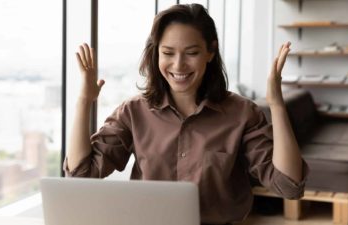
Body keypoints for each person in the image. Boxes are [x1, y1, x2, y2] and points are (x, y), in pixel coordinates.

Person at [64, 3, 308, 225]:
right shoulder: (133, 112)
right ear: (156, 52)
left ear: (210, 52)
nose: (178, 65)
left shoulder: (243, 113)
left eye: (191, 53)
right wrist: (84, 100)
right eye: (168, 53)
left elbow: (289, 186)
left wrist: (276, 103)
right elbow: (81, 175)